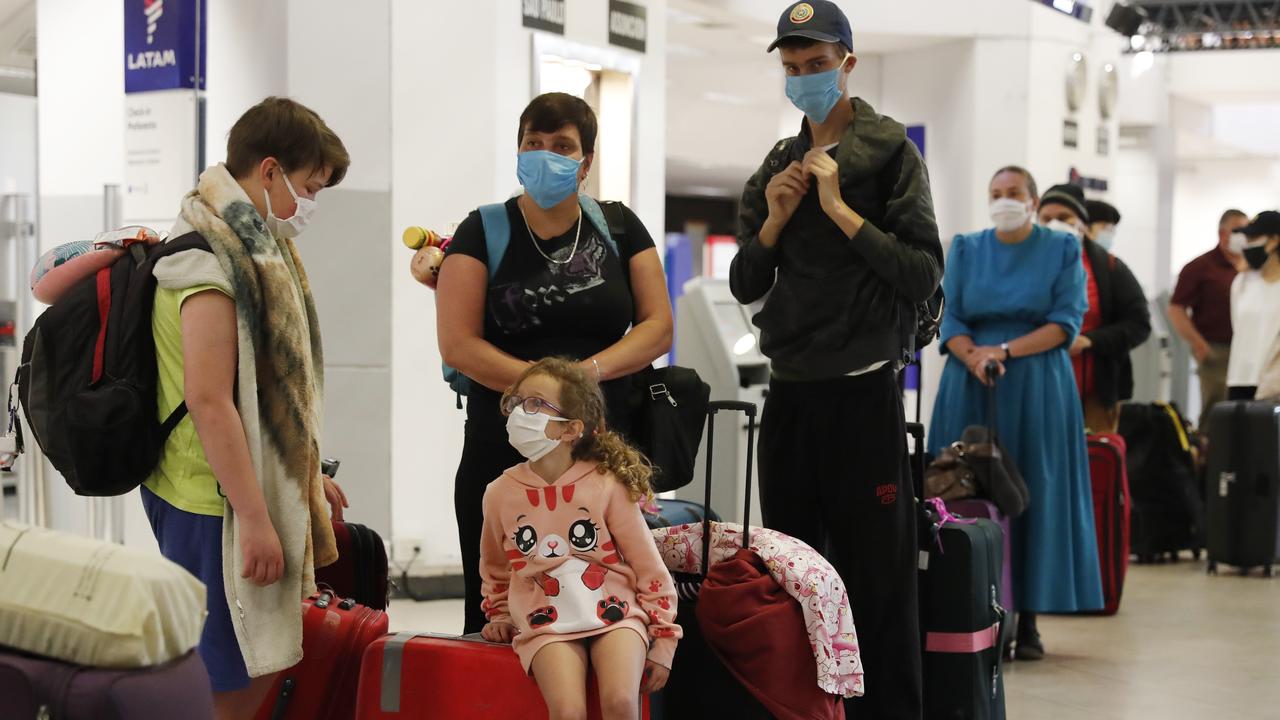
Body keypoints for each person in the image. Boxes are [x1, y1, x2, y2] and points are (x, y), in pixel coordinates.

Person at [729, 3, 942, 716]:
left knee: (877, 582)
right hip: (790, 397)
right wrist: (778, 220)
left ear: (848, 62)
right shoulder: (775, 165)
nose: (805, 78)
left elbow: (921, 273)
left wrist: (842, 208)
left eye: (817, 65)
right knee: (789, 577)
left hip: (864, 396)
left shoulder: (889, 154)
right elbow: (745, 283)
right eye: (792, 68)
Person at [141, 97, 351, 719]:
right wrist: (257, 519)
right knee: (228, 679)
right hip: (210, 500)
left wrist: (305, 476)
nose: (308, 206)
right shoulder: (205, 262)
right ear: (268, 171)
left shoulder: (252, 250)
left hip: (227, 492)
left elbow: (261, 396)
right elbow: (209, 402)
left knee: (255, 663)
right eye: (308, 188)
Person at [437, 93, 673, 635]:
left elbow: (658, 326)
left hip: (601, 446)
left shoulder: (619, 228)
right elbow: (458, 343)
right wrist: (545, 394)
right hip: (503, 449)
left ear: (586, 161)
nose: (545, 155)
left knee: (609, 604)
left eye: (562, 146)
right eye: (533, 144)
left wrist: (583, 380)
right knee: (501, 615)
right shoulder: (483, 230)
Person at [930, 167, 1103, 661]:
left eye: (1013, 194)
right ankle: (967, 607)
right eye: (996, 194)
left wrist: (1002, 351)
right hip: (970, 377)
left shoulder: (1063, 249)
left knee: (1032, 490)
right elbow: (953, 314)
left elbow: (1065, 322)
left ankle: (1028, 619)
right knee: (963, 486)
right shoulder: (965, 247)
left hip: (1037, 384)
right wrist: (974, 355)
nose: (1004, 201)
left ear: (1032, 200)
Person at [479, 358, 679, 720]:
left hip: (617, 616)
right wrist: (501, 614)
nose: (522, 411)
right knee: (567, 712)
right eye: (517, 400)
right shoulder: (498, 493)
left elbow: (648, 567)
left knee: (621, 702)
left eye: (537, 403)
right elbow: (495, 566)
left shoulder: (607, 484)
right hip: (545, 622)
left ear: (571, 429)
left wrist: (663, 639)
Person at [1038, 188, 1151, 434]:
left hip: (1095, 391)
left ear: (1082, 222)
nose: (1054, 224)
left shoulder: (1109, 267)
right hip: (1038, 387)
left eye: (1064, 217)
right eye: (1046, 218)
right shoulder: (1024, 263)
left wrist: (1089, 341)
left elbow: (1139, 324)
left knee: (1095, 462)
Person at [1169, 209, 1250, 429]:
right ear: (1223, 234)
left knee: (1248, 411)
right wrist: (1197, 343)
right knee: (1217, 408)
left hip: (1250, 351)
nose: (1244, 235)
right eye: (1238, 230)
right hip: (1217, 350)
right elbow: (1176, 309)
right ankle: (1210, 459)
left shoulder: (1254, 268)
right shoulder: (1200, 267)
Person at [1226, 211, 1280, 400]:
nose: (1247, 243)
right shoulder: (1242, 282)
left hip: (1273, 382)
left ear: (1274, 240)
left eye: (1254, 237)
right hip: (1240, 377)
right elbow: (1237, 326)